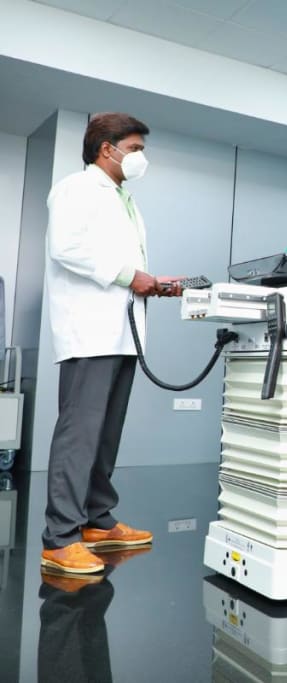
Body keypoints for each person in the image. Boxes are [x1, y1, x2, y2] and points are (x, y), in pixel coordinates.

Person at [40, 113, 182, 574]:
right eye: (135, 148)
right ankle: (60, 537)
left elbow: (121, 262)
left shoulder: (124, 199)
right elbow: (66, 248)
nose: (141, 157)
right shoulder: (76, 189)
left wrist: (152, 283)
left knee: (105, 433)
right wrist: (129, 275)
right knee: (79, 435)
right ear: (107, 148)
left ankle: (97, 519)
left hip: (122, 331)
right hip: (89, 332)